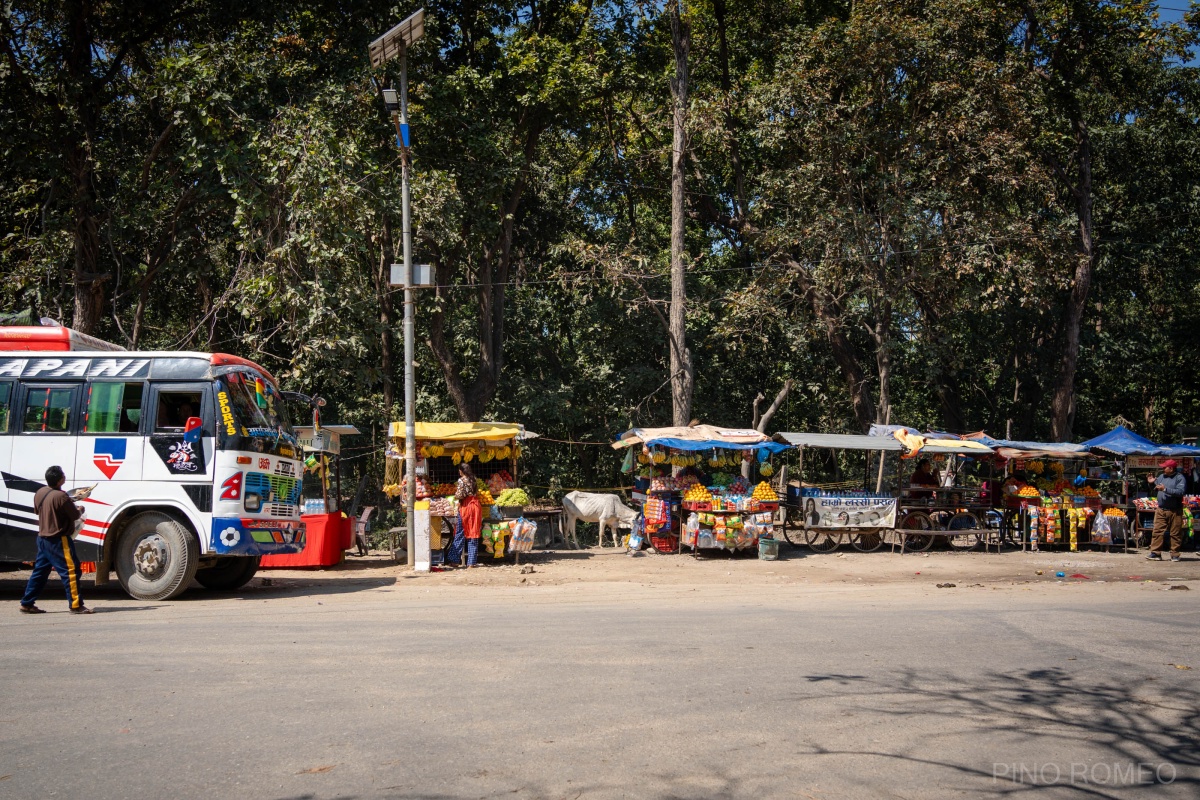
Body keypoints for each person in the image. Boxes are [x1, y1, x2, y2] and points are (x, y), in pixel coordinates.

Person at [19, 466, 91, 614]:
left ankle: (27, 603)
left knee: (40, 572)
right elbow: (75, 515)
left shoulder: (40, 492)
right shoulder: (61, 496)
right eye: (63, 475)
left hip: (43, 538)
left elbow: (39, 511)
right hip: (58, 540)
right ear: (60, 480)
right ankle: (76, 605)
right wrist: (80, 509)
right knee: (71, 571)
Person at [1146, 459, 1186, 561]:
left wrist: (1165, 489)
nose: (1163, 469)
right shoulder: (1161, 476)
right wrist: (1151, 483)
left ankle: (1175, 554)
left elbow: (1180, 492)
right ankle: (1155, 553)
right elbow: (1155, 488)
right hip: (1161, 509)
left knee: (1175, 533)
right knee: (1157, 531)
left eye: (1165, 467)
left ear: (1171, 468)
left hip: (1175, 510)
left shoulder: (1179, 478)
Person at [447, 463, 483, 568]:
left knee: (460, 533)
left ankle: (454, 560)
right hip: (475, 507)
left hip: (466, 507)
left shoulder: (461, 480)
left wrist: (455, 496)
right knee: (473, 533)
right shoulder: (474, 479)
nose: (459, 472)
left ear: (462, 471)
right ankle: (471, 562)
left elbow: (460, 494)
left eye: (459, 470)